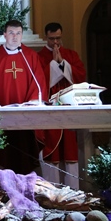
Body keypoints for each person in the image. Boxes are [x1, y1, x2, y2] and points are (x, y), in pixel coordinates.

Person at [0, 20, 47, 175]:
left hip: (25, 117)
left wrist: (33, 101)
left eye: (18, 33)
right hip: (1, 116)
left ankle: (27, 183)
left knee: (25, 153)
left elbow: (38, 82)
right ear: (4, 35)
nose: (15, 37)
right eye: (11, 33)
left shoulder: (30, 56)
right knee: (3, 154)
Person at [37, 22, 86, 188]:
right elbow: (39, 80)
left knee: (70, 150)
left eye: (58, 38)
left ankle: (72, 192)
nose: (55, 42)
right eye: (52, 39)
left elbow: (81, 75)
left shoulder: (71, 55)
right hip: (50, 110)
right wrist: (54, 65)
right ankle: (52, 193)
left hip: (69, 108)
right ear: (46, 37)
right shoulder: (39, 57)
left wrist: (63, 64)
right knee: (52, 149)